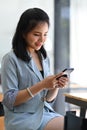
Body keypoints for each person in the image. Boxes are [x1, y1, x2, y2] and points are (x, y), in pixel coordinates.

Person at [1, 8, 69, 130]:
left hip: (45, 113)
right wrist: (42, 85)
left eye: (45, 34)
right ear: (23, 33)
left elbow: (47, 99)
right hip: (22, 118)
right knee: (69, 125)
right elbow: (10, 100)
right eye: (36, 34)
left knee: (75, 124)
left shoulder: (44, 57)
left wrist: (56, 85)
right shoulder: (10, 59)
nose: (42, 40)